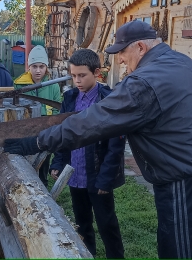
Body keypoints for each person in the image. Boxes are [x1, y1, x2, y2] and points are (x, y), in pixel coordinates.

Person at [4, 20, 192, 259]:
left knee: (180, 253)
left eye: (121, 52)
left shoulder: (144, 82)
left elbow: (91, 123)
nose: (119, 59)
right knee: (188, 247)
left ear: (140, 47)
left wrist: (36, 143)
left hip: (183, 178)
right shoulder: (184, 64)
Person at [48, 49, 125, 258]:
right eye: (73, 76)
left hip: (98, 176)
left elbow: (116, 145)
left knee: (107, 224)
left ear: (97, 73)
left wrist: (106, 179)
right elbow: (64, 133)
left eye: (82, 75)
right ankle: (87, 255)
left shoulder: (108, 99)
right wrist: (58, 162)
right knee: (82, 225)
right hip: (75, 175)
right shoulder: (70, 98)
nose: (77, 81)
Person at [13, 45, 61, 187]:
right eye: (34, 66)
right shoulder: (19, 84)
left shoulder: (53, 86)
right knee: (26, 168)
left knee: (43, 167)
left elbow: (57, 110)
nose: (38, 70)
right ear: (29, 66)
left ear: (46, 66)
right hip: (26, 133)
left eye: (41, 66)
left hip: (46, 133)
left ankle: (44, 190)